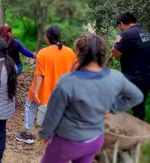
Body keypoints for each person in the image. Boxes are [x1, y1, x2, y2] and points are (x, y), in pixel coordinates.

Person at [39, 34, 143, 163]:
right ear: (102, 54)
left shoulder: (68, 81)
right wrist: (112, 108)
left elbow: (53, 114)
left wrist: (45, 134)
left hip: (66, 141)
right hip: (94, 141)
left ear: (79, 53)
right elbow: (136, 96)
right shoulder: (116, 77)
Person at [15, 25, 76, 144]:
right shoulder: (70, 52)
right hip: (61, 90)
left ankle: (28, 134)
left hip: (44, 89)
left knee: (30, 107)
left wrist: (35, 92)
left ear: (47, 38)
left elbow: (39, 75)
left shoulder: (43, 53)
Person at [112, 12, 150, 120]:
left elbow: (115, 53)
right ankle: (139, 128)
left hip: (132, 77)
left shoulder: (126, 34)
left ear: (121, 23)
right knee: (140, 103)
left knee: (115, 98)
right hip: (146, 75)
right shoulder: (146, 33)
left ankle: (115, 124)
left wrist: (117, 42)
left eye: (119, 26)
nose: (120, 29)